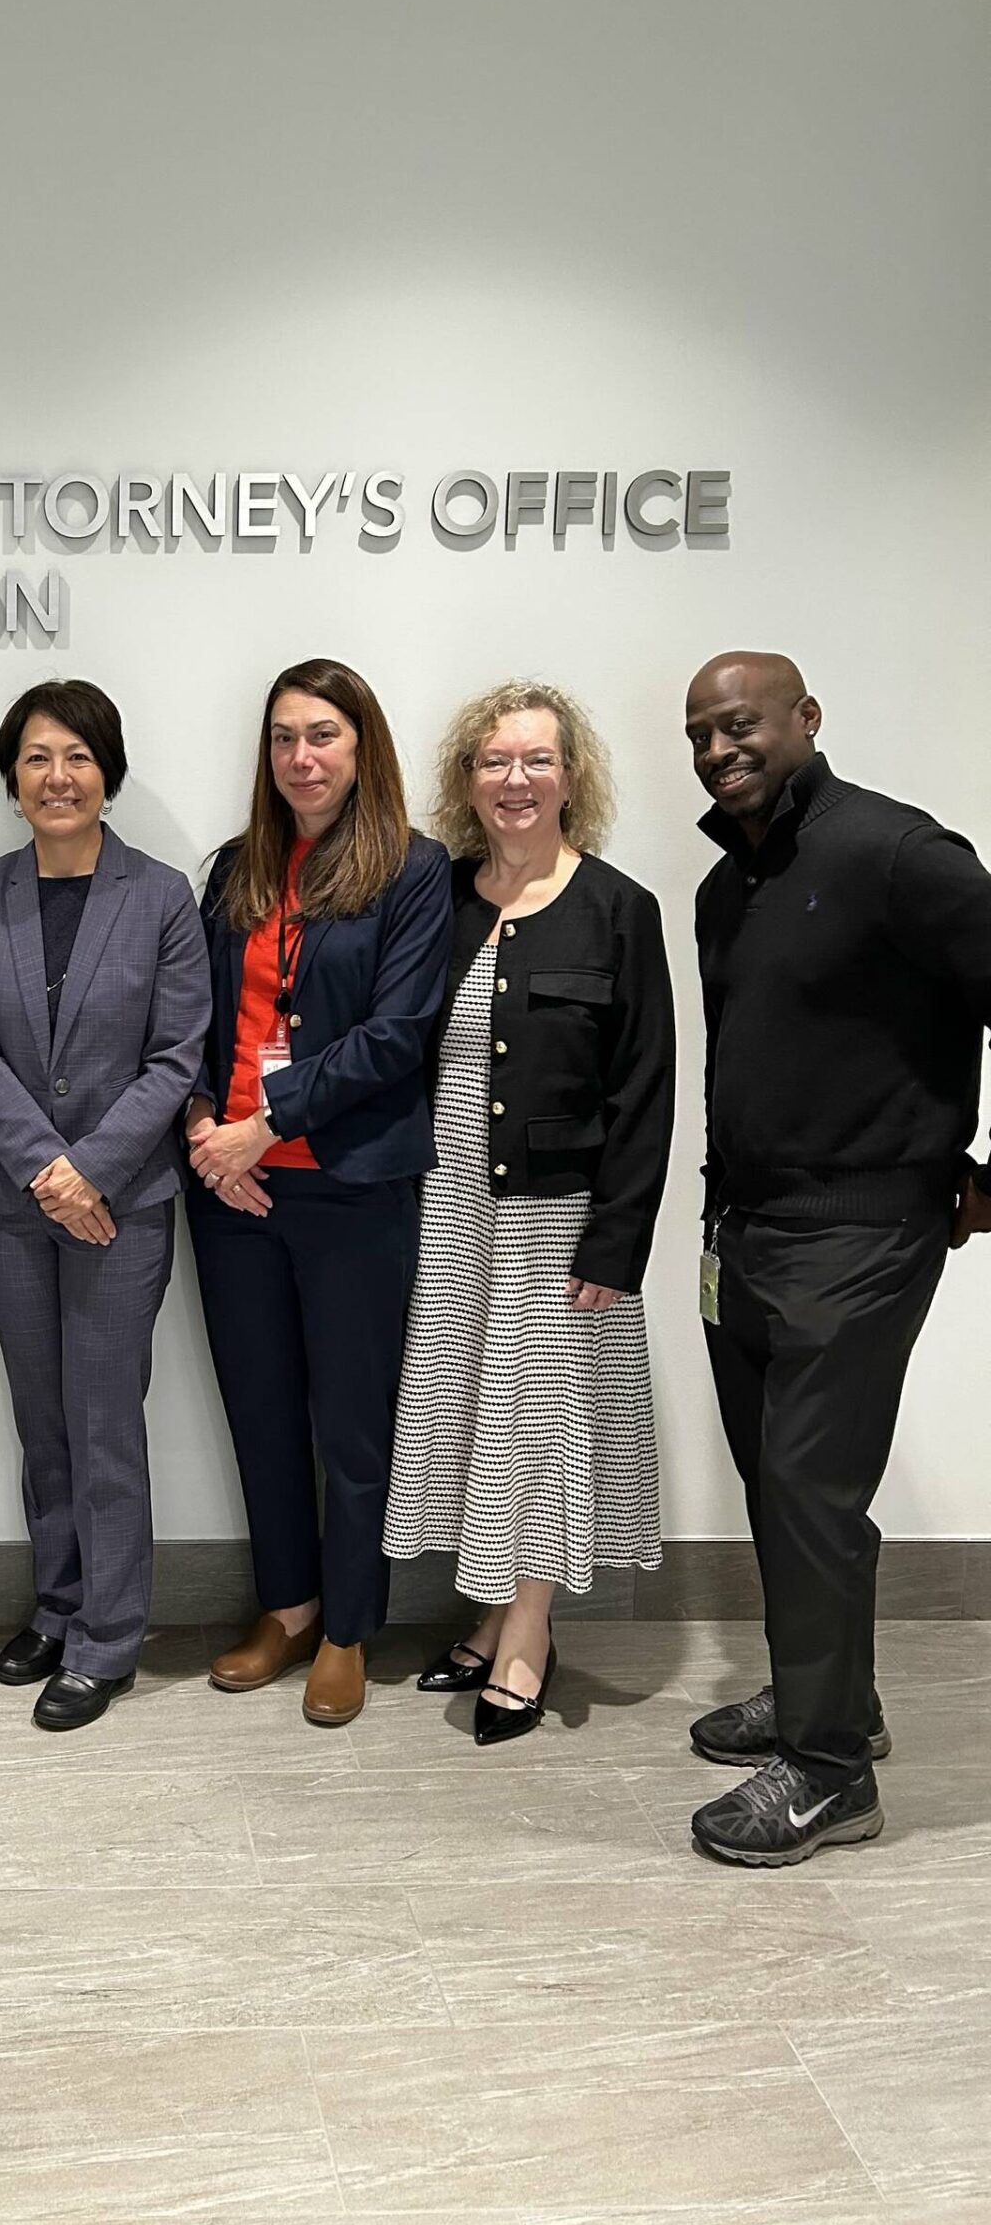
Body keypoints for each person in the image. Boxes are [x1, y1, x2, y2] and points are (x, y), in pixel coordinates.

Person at [681, 651, 991, 1862]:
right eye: (700, 733)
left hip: (862, 1232)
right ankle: (829, 1698)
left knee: (811, 1488)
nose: (719, 749)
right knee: (778, 1484)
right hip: (745, 1233)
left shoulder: (900, 856)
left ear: (806, 718)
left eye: (742, 723)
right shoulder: (727, 889)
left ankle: (825, 1774)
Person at [385, 683, 674, 1743]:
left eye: (538, 760)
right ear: (468, 780)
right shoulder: (443, 899)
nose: (516, 780)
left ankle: (528, 1636)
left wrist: (620, 1241)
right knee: (478, 1420)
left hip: (560, 1218)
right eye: (496, 761)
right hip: (452, 1203)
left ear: (571, 777)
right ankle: (493, 1604)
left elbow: (647, 1088)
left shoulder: (618, 907)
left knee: (542, 1428)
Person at [188, 658, 450, 1727]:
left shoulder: (413, 869)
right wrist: (207, 1129)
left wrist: (267, 1125)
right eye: (285, 737)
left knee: (350, 1423)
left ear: (362, 747)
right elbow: (189, 1017)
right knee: (257, 1410)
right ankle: (287, 1607)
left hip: (349, 1187)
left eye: (325, 736)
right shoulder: (235, 868)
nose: (302, 756)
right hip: (234, 1193)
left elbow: (398, 1033)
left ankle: (348, 1627)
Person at [0, 681, 209, 1730]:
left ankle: (107, 1636)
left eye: (79, 757)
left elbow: (176, 1054)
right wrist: (45, 1170)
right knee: (40, 1416)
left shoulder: (162, 896)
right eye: (38, 758)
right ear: (13, 779)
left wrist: (87, 1169)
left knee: (105, 1420)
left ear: (110, 772)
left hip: (124, 1200)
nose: (59, 777)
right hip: (11, 1200)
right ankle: (57, 1604)